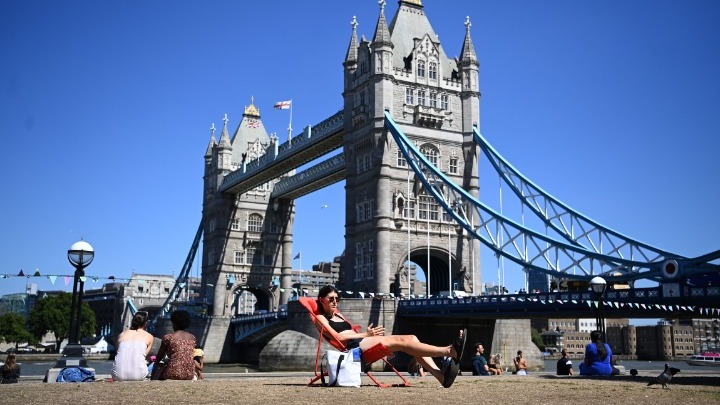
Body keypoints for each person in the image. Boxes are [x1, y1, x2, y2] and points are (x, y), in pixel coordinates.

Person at [314, 285, 466, 388]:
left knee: (412, 338)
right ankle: (449, 351)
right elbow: (337, 337)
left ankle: (441, 377)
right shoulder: (319, 318)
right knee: (401, 341)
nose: (335, 302)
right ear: (322, 300)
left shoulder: (337, 314)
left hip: (362, 340)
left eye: (337, 298)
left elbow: (351, 332)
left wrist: (367, 335)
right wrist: (365, 334)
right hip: (354, 348)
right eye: (331, 299)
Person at [111, 311, 155, 381]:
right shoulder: (149, 337)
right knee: (155, 363)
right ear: (145, 324)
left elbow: (118, 352)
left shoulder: (122, 334)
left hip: (117, 375)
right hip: (139, 376)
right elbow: (144, 355)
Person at [154, 310, 196, 380]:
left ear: (174, 323)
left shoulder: (168, 337)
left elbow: (159, 357)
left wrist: (155, 364)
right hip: (189, 373)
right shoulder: (192, 338)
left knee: (158, 368)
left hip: (172, 372)